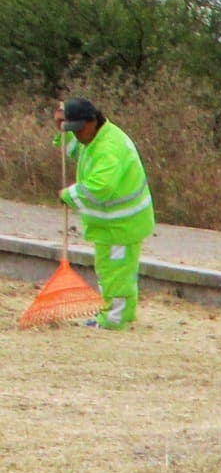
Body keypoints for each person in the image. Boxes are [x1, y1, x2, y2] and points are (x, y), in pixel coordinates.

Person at [57, 98, 153, 331]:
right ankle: (119, 315)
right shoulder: (94, 138)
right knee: (112, 271)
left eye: (79, 129)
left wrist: (68, 194)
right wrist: (60, 129)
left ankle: (113, 320)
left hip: (121, 225)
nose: (77, 135)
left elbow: (100, 187)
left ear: (93, 121)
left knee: (116, 275)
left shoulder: (109, 148)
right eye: (73, 130)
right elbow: (76, 149)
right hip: (113, 224)